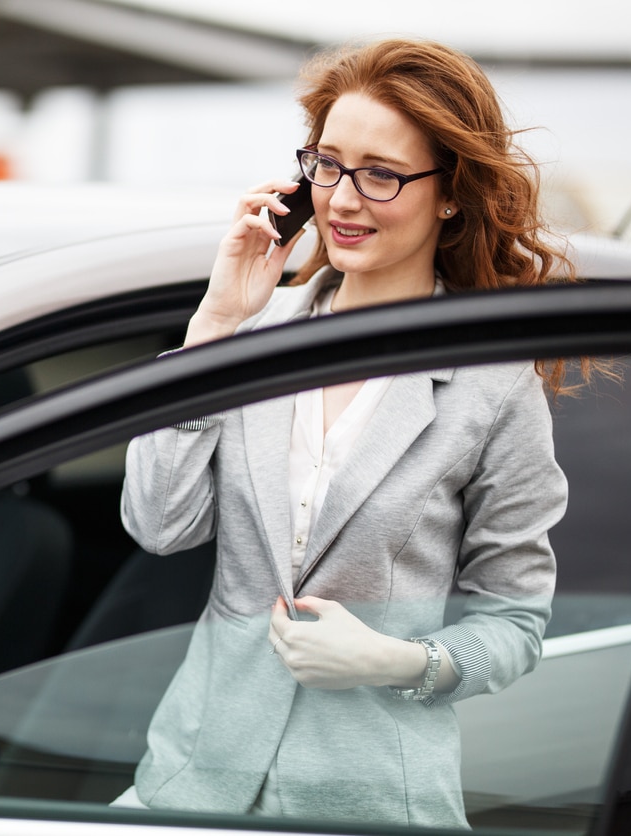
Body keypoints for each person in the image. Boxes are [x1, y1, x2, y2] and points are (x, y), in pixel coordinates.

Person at [118, 38, 576, 828]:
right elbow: (158, 526)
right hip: (192, 784)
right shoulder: (250, 336)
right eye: (326, 164)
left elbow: (515, 621)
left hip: (365, 804)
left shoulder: (493, 385)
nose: (342, 199)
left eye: (382, 174)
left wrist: (400, 662)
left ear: (451, 194)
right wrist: (218, 322)